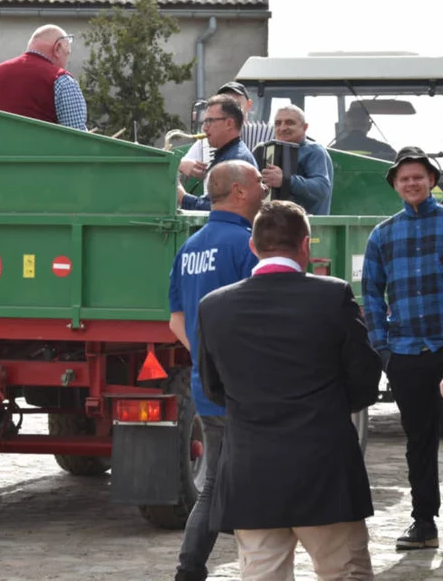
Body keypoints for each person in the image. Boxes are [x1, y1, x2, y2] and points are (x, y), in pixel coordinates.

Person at [197, 201, 383, 581]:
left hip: (253, 469)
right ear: (306, 246)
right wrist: (329, 406)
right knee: (344, 572)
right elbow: (365, 378)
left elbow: (214, 387)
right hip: (324, 467)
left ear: (253, 246)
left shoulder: (213, 307)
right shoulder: (333, 296)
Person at [362, 146, 443, 550]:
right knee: (419, 440)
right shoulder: (383, 235)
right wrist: (383, 349)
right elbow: (371, 296)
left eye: (419, 176)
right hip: (405, 353)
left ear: (432, 181)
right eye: (404, 178)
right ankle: (423, 521)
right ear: (395, 184)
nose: (411, 183)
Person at [168, 160, 267, 581]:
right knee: (253, 483)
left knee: (214, 482)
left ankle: (191, 569)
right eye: (259, 181)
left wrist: (206, 356)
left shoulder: (189, 247)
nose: (266, 186)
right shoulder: (245, 246)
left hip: (204, 386)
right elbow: (260, 317)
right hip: (243, 389)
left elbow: (175, 320)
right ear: (240, 191)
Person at [0, 25, 87, 130]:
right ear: (57, 48)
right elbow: (78, 140)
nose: (66, 63)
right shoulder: (62, 80)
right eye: (67, 53)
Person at [178, 96, 257, 211]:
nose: (204, 128)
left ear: (229, 123)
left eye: (209, 121)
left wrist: (181, 195)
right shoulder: (231, 154)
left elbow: (214, 209)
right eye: (204, 122)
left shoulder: (234, 161)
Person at [179, 82, 273, 179]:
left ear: (249, 105)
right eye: (224, 101)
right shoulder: (207, 142)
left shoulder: (237, 155)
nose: (205, 128)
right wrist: (180, 164)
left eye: (234, 103)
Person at [262, 105, 334, 215]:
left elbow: (322, 188)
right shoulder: (267, 150)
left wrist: (286, 180)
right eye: (278, 123)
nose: (282, 128)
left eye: (289, 123)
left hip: (307, 226)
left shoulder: (314, 151)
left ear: (305, 127)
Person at [331, 102, 397, 161]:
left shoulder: (332, 152)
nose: (357, 120)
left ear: (345, 126)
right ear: (369, 126)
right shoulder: (386, 150)